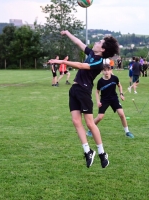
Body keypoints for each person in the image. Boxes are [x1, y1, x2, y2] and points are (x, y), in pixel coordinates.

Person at [48, 30, 119, 169]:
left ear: (103, 49)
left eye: (99, 42)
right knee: (75, 121)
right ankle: (88, 151)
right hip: (74, 89)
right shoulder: (92, 54)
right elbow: (78, 42)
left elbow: (81, 66)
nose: (96, 43)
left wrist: (62, 61)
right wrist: (67, 33)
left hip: (84, 91)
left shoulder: (99, 62)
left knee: (90, 124)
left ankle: (102, 153)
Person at [86, 64, 134, 138]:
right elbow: (97, 92)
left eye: (108, 70)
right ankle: (90, 130)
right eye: (104, 71)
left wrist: (121, 94)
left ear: (111, 71)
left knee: (121, 114)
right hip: (104, 100)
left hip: (114, 98)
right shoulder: (100, 81)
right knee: (100, 117)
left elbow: (119, 85)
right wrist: (98, 101)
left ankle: (127, 132)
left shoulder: (115, 78)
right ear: (102, 71)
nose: (106, 72)